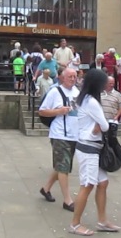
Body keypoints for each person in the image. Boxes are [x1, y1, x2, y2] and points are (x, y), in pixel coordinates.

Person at [70, 69, 121, 236]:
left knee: (103, 182)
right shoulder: (91, 101)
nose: (106, 84)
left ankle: (102, 220)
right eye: (104, 82)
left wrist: (99, 124)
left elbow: (100, 124)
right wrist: (100, 124)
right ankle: (75, 224)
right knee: (87, 185)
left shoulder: (85, 99)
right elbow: (105, 126)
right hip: (88, 148)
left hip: (91, 146)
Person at [38, 68, 79, 212]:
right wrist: (58, 111)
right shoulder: (55, 92)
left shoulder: (77, 92)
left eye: (75, 76)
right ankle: (67, 200)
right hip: (60, 134)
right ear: (62, 77)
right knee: (63, 167)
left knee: (62, 165)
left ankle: (46, 188)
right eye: (70, 76)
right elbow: (42, 111)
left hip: (74, 134)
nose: (73, 79)